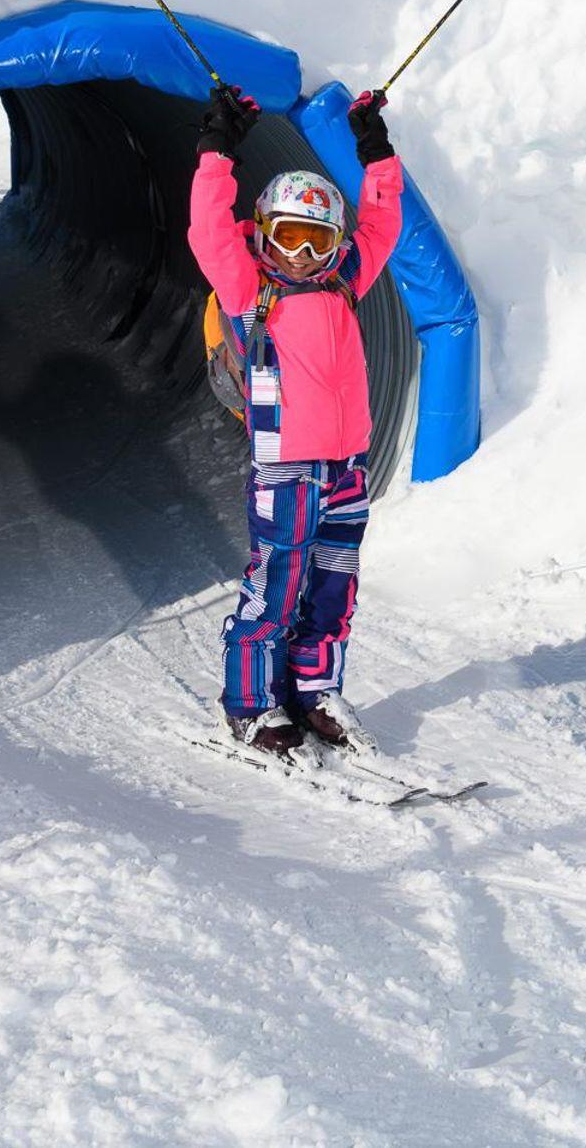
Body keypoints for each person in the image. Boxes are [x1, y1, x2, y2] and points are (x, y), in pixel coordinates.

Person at [186, 85, 402, 759]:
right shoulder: (251, 288)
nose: (303, 255)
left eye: (318, 240)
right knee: (275, 586)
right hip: (285, 469)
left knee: (335, 587)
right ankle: (252, 703)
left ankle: (314, 690)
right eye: (289, 237)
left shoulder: (343, 281)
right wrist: (218, 152)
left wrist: (376, 156)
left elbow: (382, 226)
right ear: (265, 232)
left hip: (347, 466)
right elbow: (208, 231)